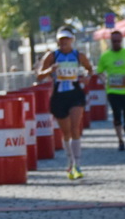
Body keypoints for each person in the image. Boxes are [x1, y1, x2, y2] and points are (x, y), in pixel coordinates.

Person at [37, 27, 88, 180]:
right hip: (59, 95)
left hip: (75, 94)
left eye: (66, 39)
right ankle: (70, 161)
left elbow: (90, 69)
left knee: (75, 128)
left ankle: (77, 165)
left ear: (72, 40)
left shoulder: (78, 55)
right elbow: (39, 75)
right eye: (60, 40)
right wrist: (49, 70)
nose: (63, 42)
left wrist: (87, 77)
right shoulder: (52, 56)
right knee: (65, 132)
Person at [95, 30, 125, 150]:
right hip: (112, 90)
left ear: (121, 41)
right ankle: (120, 140)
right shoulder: (105, 56)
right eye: (113, 41)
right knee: (116, 114)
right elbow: (99, 71)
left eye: (118, 41)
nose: (116, 43)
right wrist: (104, 79)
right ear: (110, 41)